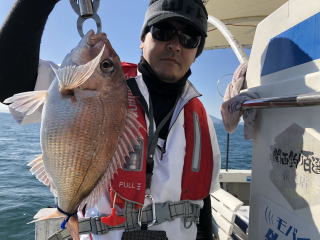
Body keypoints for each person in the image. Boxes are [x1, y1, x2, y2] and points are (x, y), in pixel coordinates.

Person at [0, 0, 221, 239]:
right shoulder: (102, 82)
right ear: (143, 39)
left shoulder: (200, 117)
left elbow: (201, 201)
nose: (175, 45)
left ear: (197, 52)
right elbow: (7, 82)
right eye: (163, 31)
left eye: (190, 39)